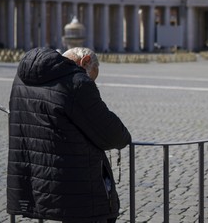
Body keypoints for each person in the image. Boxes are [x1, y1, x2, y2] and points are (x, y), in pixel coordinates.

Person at [7, 47, 131, 223]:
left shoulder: (21, 78)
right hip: (76, 186)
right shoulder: (77, 82)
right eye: (92, 77)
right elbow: (111, 133)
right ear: (85, 61)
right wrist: (125, 137)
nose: (91, 82)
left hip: (34, 178)